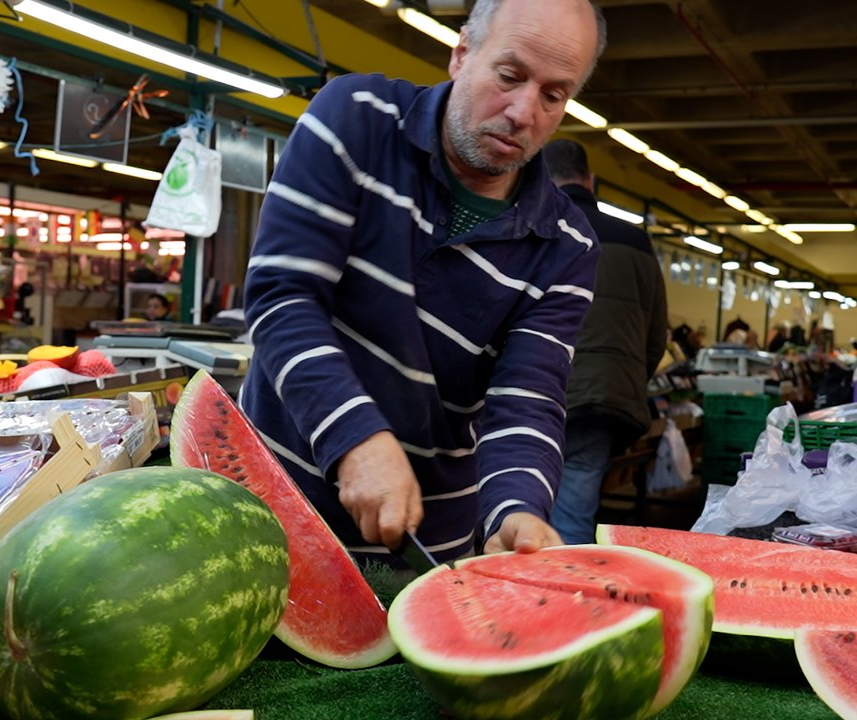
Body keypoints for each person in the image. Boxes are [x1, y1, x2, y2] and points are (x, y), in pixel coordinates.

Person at [240, 0, 607, 565]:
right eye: (509, 76)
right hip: (268, 498)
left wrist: (516, 509)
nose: (522, 111)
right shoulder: (355, 117)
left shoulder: (566, 245)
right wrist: (355, 437)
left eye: (554, 95)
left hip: (425, 542)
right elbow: (282, 296)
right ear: (462, 53)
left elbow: (526, 399)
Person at [541, 139, 667, 545]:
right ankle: (567, 601)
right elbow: (655, 336)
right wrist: (626, 377)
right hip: (604, 397)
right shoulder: (636, 241)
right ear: (590, 180)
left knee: (512, 504)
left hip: (538, 389)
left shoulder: (533, 224)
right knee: (575, 508)